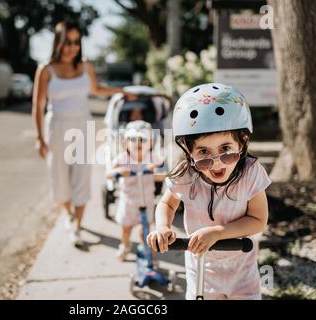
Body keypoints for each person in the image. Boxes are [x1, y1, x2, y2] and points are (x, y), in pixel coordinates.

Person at [147, 83, 271, 300]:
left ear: (242, 143)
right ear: (188, 150)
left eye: (226, 150)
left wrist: (218, 232)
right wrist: (162, 227)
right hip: (201, 267)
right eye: (203, 152)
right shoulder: (186, 174)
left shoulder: (251, 173)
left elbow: (258, 219)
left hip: (241, 268)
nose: (216, 164)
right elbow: (167, 204)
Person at [32, 20, 136, 246]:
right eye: (67, 41)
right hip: (57, 127)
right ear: (58, 42)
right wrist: (39, 138)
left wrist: (122, 92)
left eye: (76, 42)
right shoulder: (46, 70)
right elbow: (38, 106)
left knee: (81, 176)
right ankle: (68, 213)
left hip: (82, 126)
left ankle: (76, 225)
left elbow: (96, 89)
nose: (72, 47)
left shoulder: (86, 66)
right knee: (59, 180)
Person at [106, 121, 161, 261]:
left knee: (146, 228)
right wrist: (119, 171)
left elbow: (162, 171)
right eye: (133, 140)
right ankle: (125, 245)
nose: (137, 144)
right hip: (129, 200)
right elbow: (109, 174)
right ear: (126, 143)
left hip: (146, 198)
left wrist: (155, 170)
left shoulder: (152, 158)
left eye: (142, 140)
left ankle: (147, 250)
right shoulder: (123, 158)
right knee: (126, 228)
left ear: (150, 143)